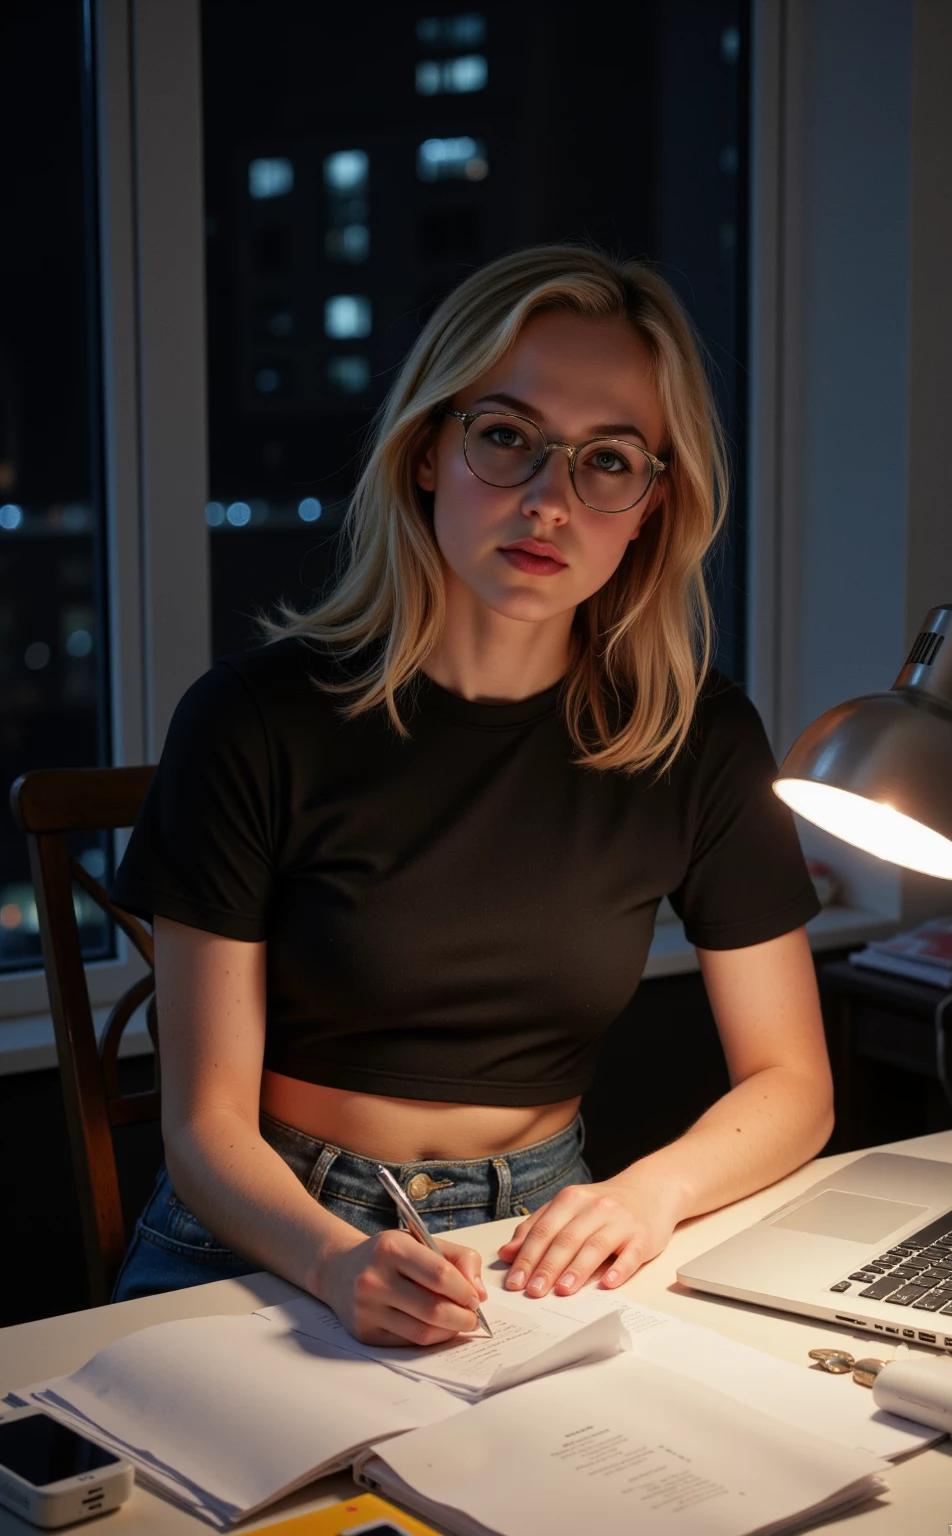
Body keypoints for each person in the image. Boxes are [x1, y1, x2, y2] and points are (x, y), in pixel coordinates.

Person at [110, 244, 831, 1345]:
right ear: (426, 453)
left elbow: (793, 1084)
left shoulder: (696, 735)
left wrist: (651, 1193)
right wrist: (335, 1261)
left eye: (607, 460)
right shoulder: (252, 720)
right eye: (506, 437)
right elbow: (205, 1130)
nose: (550, 502)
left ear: (651, 503)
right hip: (273, 1236)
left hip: (546, 1240)